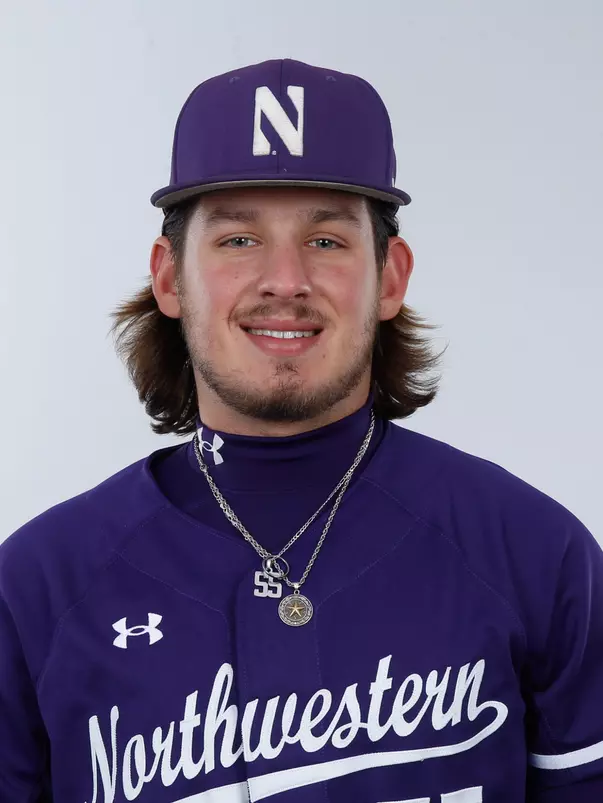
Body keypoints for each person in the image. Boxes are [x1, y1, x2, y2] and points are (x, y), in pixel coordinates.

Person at [0, 58, 601, 803]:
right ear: (169, 278)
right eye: (237, 239)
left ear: (389, 277)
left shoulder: (534, 554)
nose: (285, 280)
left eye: (325, 241)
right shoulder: (38, 586)